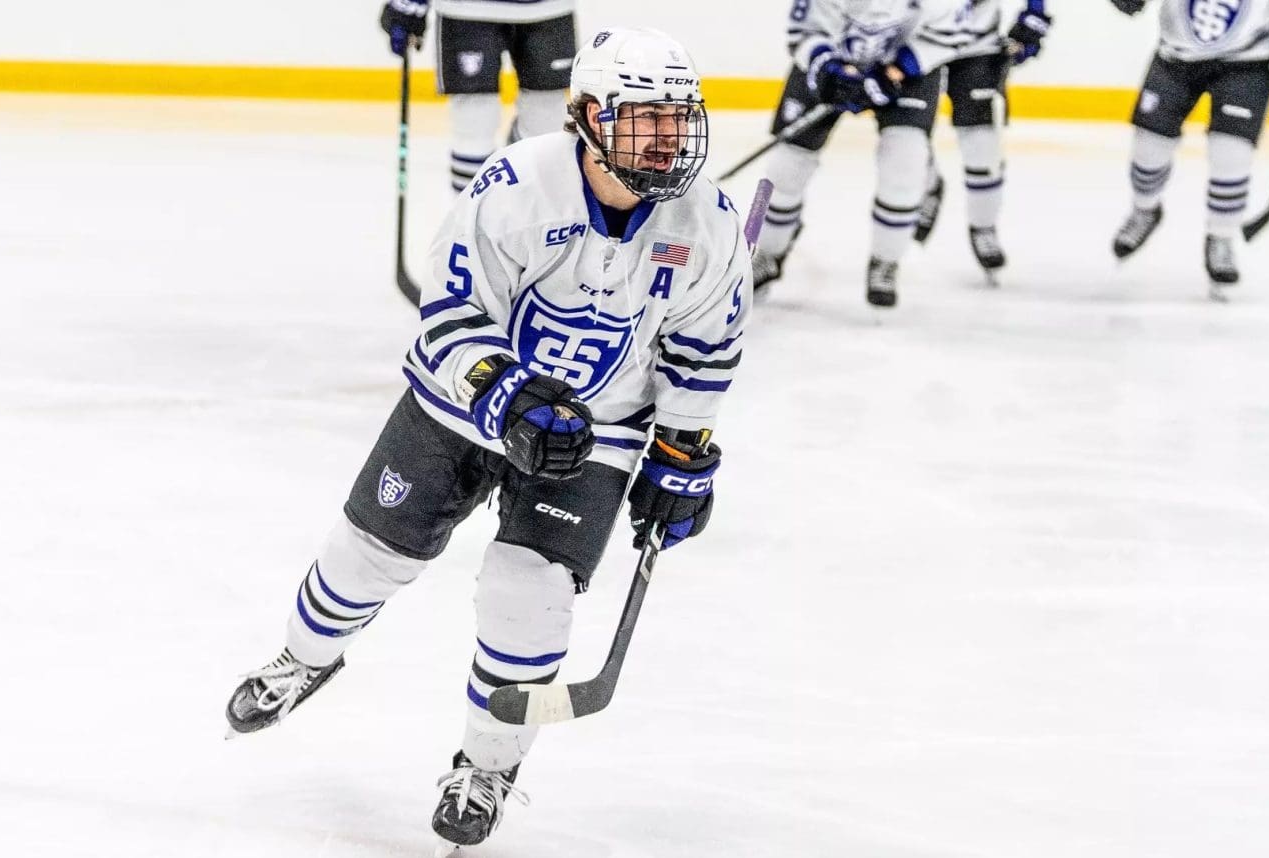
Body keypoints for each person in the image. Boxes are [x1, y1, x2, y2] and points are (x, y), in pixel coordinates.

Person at [226, 27, 751, 854]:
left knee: (528, 596)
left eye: (677, 119)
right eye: (644, 119)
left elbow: (704, 350)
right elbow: (449, 316)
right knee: (368, 556)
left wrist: (684, 455)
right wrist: (505, 397)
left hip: (599, 428)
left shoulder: (709, 221)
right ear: (585, 117)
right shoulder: (515, 186)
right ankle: (301, 657)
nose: (667, 139)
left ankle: (488, 767)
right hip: (458, 407)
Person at [749, 0, 971, 308]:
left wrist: (896, 70)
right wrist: (828, 69)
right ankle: (769, 254)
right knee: (786, 166)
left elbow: (953, 30)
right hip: (834, 60)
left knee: (905, 160)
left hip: (908, 73)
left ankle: (886, 260)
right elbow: (803, 30)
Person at [1108, 0, 1269, 290]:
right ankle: (1144, 210)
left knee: (1231, 152)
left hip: (1247, 63)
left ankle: (1221, 236)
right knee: (1149, 146)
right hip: (1175, 57)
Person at [911, 0, 1054, 277]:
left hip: (979, 44)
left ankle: (983, 225)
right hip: (913, 42)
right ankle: (927, 186)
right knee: (908, 136)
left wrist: (1034, 15)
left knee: (983, 146)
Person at [379, 0, 578, 192]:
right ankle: (471, 221)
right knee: (474, 123)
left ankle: (521, 200)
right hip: (467, 11)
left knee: (545, 126)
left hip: (550, 9)